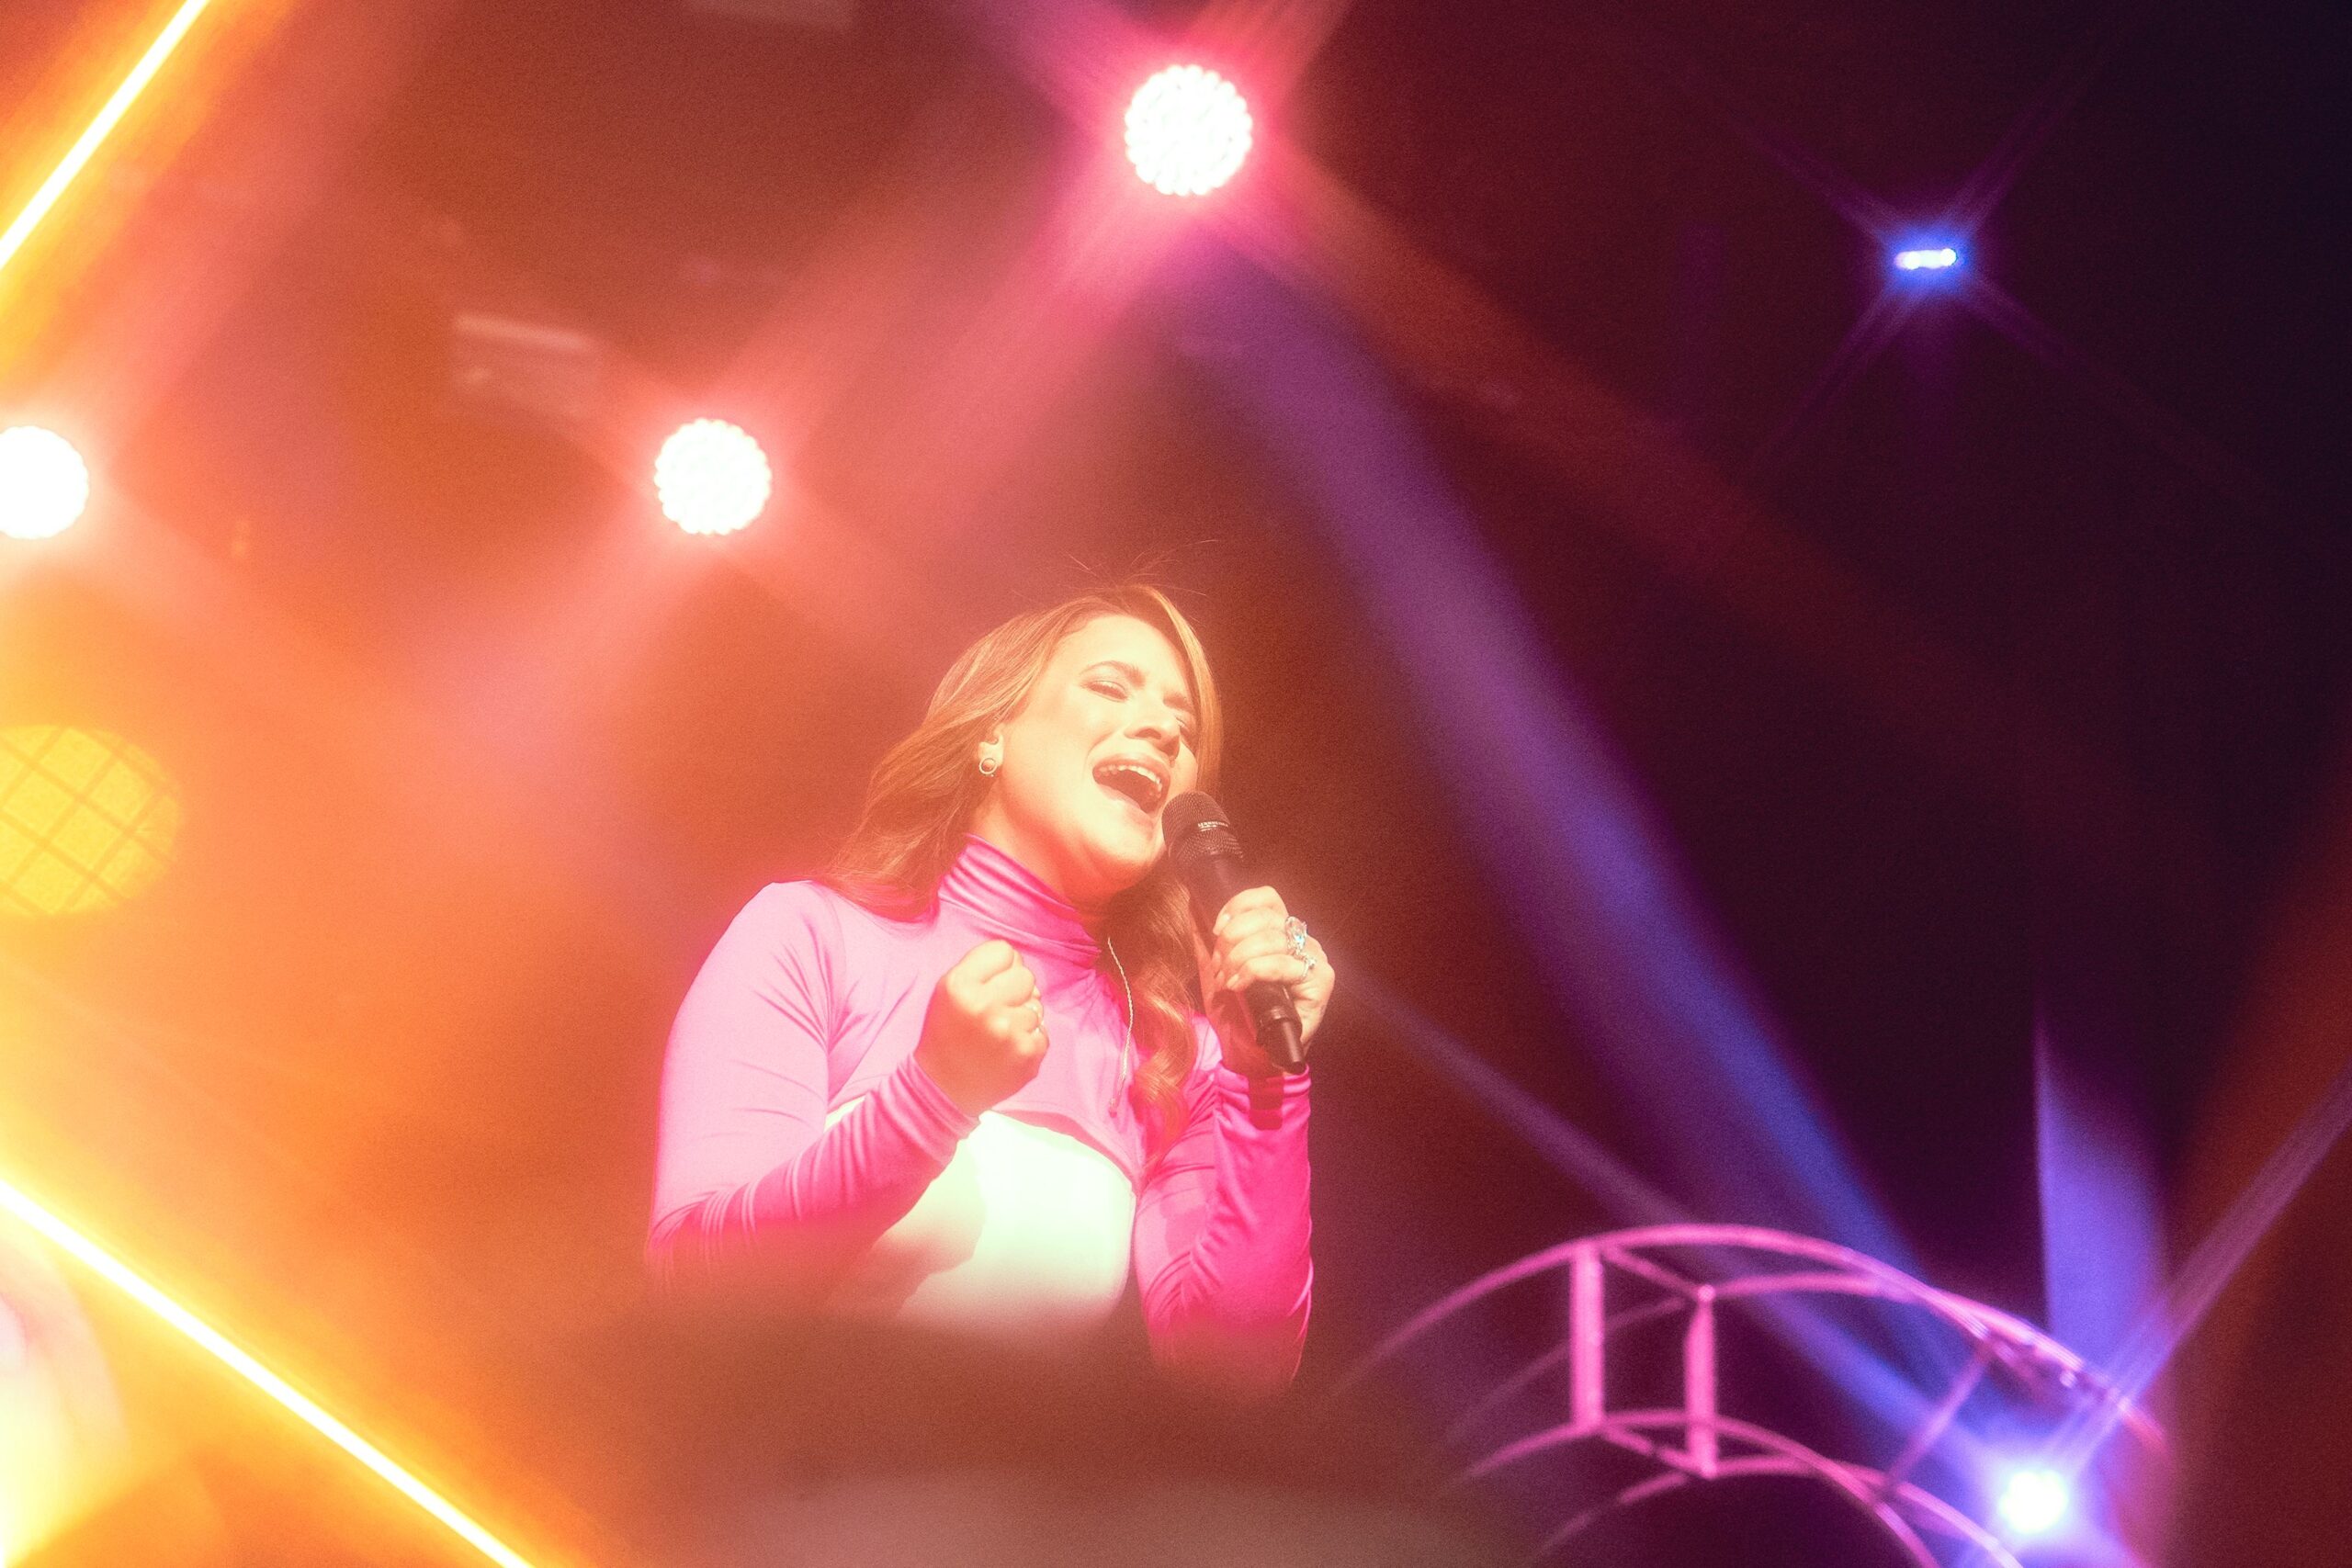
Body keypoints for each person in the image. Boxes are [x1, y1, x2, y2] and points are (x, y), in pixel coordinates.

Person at [647, 584, 1334, 1396]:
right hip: (774, 1463)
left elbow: (1234, 1374)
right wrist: (929, 1100)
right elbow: (694, 1282)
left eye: (1183, 729)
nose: (1162, 730)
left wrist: (1264, 1082)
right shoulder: (813, 935)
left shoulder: (1171, 1054)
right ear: (992, 733)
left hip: (996, 1478)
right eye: (1110, 686)